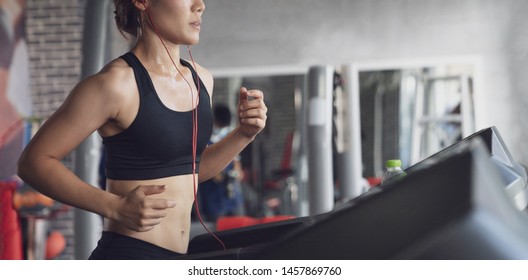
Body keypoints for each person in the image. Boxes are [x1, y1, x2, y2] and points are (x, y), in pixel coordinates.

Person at [16, 0, 267, 260]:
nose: (200, 5)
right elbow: (33, 162)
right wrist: (113, 206)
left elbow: (191, 170)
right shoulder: (115, 84)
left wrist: (243, 134)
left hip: (179, 256)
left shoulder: (201, 79)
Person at [197, 104, 245, 222]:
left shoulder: (231, 138)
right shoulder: (204, 140)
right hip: (213, 197)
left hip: (232, 197)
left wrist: (237, 173)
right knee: (217, 229)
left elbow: (237, 163)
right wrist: (213, 172)